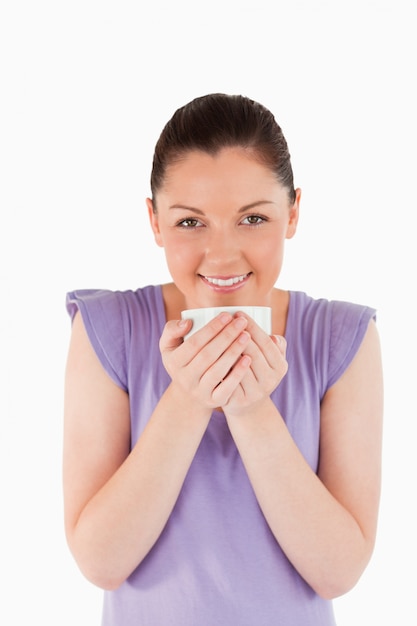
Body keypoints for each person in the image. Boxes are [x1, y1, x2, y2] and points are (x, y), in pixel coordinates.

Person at [63, 93, 383, 626]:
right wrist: (188, 399)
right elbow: (101, 560)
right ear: (155, 221)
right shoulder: (108, 328)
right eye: (191, 223)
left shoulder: (341, 337)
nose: (223, 253)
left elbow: (339, 571)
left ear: (293, 213)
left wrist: (254, 410)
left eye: (253, 218)